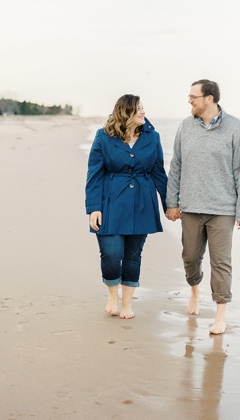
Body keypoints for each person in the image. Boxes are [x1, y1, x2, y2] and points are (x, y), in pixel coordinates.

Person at [165, 79, 240, 335]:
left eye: (193, 96)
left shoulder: (235, 128)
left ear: (209, 98)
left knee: (221, 262)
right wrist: (172, 202)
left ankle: (220, 314)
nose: (189, 100)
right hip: (191, 207)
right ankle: (194, 290)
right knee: (190, 258)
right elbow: (176, 165)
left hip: (223, 209)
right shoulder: (185, 126)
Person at [85, 94, 168, 319]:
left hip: (142, 201)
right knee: (111, 253)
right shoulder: (103, 137)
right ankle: (113, 294)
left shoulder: (153, 137)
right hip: (110, 201)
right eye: (138, 108)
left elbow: (158, 171)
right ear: (126, 112)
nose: (143, 112)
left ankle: (127, 303)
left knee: (133, 255)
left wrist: (170, 204)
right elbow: (94, 174)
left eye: (143, 108)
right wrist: (94, 207)